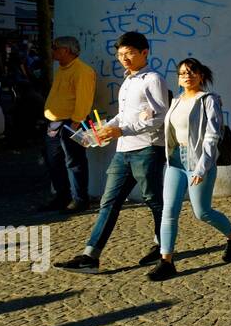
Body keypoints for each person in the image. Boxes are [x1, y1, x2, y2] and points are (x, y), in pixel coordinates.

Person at [54, 32, 169, 274]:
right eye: (120, 55)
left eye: (129, 53)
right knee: (109, 202)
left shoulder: (154, 79)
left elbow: (160, 117)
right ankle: (90, 255)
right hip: (123, 151)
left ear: (144, 53)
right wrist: (106, 128)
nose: (124, 59)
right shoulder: (127, 80)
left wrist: (121, 130)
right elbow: (124, 114)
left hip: (147, 148)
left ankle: (163, 247)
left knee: (154, 201)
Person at [149, 58, 231, 281]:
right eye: (183, 73)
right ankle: (166, 261)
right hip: (175, 161)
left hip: (198, 161)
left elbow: (213, 136)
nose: (187, 76)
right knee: (169, 211)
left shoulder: (209, 100)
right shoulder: (175, 101)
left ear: (201, 75)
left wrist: (203, 166)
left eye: (192, 72)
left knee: (201, 212)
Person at [42, 36, 98, 212]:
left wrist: (76, 121)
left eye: (55, 47)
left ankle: (80, 199)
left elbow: (84, 98)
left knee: (74, 162)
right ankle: (62, 196)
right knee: (54, 161)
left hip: (71, 122)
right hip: (55, 122)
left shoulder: (82, 71)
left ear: (66, 50)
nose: (53, 50)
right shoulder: (61, 69)